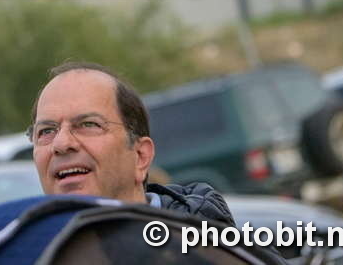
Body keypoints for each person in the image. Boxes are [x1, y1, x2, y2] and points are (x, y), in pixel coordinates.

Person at [28, 62, 235, 225]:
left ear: (140, 156)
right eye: (46, 131)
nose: (61, 143)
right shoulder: (22, 253)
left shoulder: (207, 248)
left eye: (88, 124)